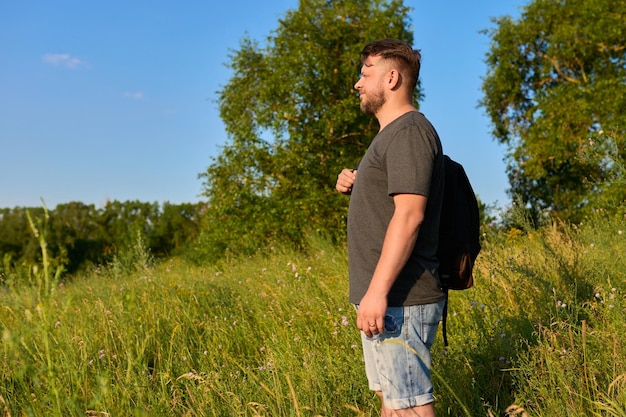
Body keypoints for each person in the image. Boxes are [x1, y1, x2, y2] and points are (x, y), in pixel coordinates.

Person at [335, 39, 446, 416]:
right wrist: (355, 178)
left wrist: (378, 292)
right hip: (387, 300)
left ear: (392, 77)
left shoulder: (409, 132)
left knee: (410, 408)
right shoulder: (390, 137)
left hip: (402, 297)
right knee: (392, 404)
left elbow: (410, 215)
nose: (358, 83)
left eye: (366, 73)